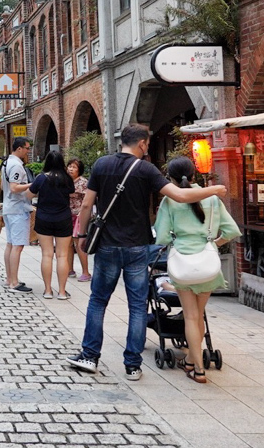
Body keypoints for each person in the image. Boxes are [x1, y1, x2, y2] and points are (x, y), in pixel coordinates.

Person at [67, 123, 226, 382]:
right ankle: (132, 365)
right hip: (138, 247)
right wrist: (214, 191)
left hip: (106, 245)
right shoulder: (146, 169)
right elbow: (180, 195)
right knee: (138, 305)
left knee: (98, 301)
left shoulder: (102, 165)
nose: (147, 148)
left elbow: (87, 204)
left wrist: (82, 235)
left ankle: (89, 356)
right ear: (142, 143)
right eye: (148, 144)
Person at [153, 156, 240, 384]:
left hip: (183, 264)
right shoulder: (211, 199)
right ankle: (191, 360)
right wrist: (213, 244)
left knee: (190, 316)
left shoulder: (170, 202)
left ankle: (199, 369)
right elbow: (232, 231)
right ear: (194, 174)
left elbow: (161, 236)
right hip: (208, 265)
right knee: (198, 315)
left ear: (170, 178)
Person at [30, 151, 75, 300]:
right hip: (63, 218)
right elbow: (71, 192)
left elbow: (29, 195)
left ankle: (48, 290)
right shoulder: (67, 179)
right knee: (62, 255)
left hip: (44, 218)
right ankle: (62, 292)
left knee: (47, 254)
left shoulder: (41, 178)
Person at [2, 137, 34, 293]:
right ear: (19, 148)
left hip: (9, 207)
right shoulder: (16, 166)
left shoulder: (7, 162)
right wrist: (33, 184)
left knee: (10, 244)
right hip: (17, 208)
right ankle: (14, 282)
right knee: (17, 246)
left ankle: (10, 278)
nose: (28, 151)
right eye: (27, 148)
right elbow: (14, 187)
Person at [67, 158, 92, 282]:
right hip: (67, 215)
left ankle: (86, 272)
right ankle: (69, 269)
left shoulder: (83, 182)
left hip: (79, 216)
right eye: (69, 166)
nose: (71, 169)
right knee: (68, 244)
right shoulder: (66, 181)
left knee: (78, 244)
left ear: (79, 170)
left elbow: (88, 200)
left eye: (74, 167)